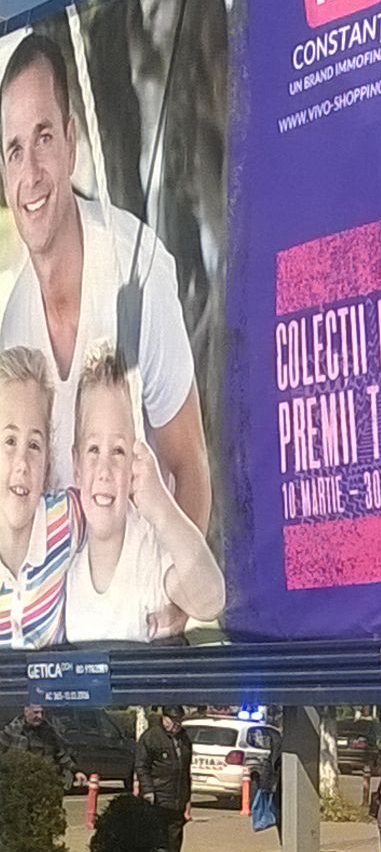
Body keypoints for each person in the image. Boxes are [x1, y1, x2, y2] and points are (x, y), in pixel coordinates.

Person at [0, 34, 212, 538]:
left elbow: (189, 467)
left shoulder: (135, 271)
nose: (31, 172)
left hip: (147, 576)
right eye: (14, 150)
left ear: (72, 141)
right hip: (63, 585)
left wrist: (174, 585)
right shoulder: (12, 331)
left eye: (44, 137)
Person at [65, 344, 225, 642]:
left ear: (136, 462)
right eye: (94, 449)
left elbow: (210, 600)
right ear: (76, 464)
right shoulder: (64, 548)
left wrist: (163, 509)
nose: (104, 469)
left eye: (118, 451)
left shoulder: (147, 551)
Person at [0, 344, 84, 648]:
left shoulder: (65, 519)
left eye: (34, 445)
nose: (22, 463)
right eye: (9, 441)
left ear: (48, 458)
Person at [134, 705, 192, 852]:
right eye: (174, 720)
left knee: (174, 842)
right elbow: (141, 766)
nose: (177, 724)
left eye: (179, 720)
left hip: (177, 799)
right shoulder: (151, 737)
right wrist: (148, 791)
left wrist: (187, 797)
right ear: (165, 719)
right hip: (157, 798)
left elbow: (185, 770)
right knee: (156, 840)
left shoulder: (184, 738)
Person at [0, 703, 75, 786]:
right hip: (17, 780)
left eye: (41, 713)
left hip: (44, 780)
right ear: (26, 711)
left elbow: (61, 755)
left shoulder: (50, 733)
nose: (39, 716)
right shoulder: (11, 731)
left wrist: (76, 772)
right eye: (36, 712)